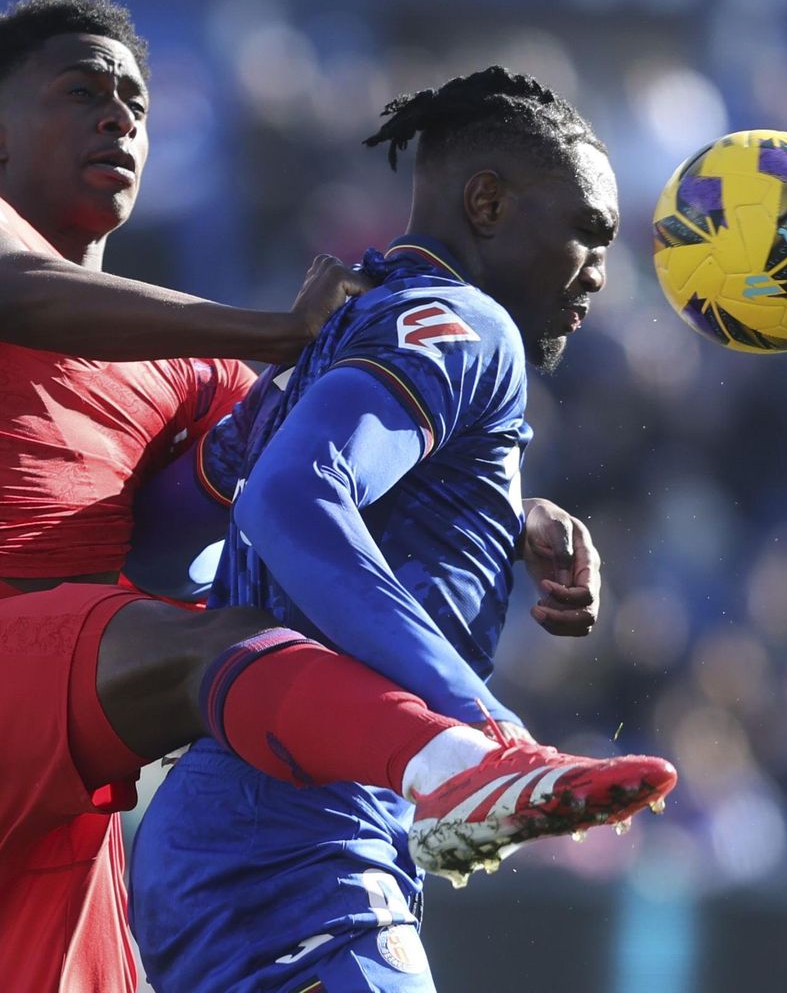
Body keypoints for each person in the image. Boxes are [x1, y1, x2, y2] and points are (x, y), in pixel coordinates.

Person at [0, 0, 676, 993]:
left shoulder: (187, 379)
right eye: (83, 90)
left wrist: (514, 517)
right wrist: (268, 330)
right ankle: (463, 762)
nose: (120, 116)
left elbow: (263, 479)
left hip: (64, 745)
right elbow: (1, 294)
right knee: (219, 650)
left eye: (136, 100)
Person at [129, 66, 664, 992]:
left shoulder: (351, 324)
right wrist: (479, 730)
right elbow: (290, 502)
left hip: (233, 828)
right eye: (587, 232)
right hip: (298, 837)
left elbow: (186, 518)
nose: (601, 272)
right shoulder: (468, 323)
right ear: (487, 203)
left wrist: (504, 518)